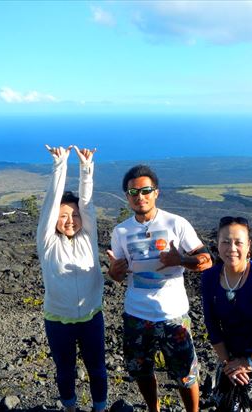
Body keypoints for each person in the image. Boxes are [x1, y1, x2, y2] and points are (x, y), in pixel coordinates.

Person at [107, 164, 212, 412]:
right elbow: (118, 275)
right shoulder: (120, 231)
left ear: (156, 192)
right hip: (136, 314)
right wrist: (114, 273)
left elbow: (207, 261)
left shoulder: (177, 223)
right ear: (127, 196)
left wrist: (182, 261)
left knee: (186, 373)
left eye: (146, 190)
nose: (140, 196)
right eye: (134, 192)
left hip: (172, 314)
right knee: (141, 371)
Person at [36, 145, 107, 412]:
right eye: (63, 216)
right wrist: (60, 165)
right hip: (58, 319)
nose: (70, 220)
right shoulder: (47, 242)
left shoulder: (88, 238)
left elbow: (87, 206)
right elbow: (50, 203)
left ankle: (100, 408)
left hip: (91, 316)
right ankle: (69, 408)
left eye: (74, 215)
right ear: (53, 220)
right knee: (65, 370)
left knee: (98, 369)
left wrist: (86, 169)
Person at [201, 216, 252, 411]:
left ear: (248, 245)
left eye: (238, 242)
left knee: (235, 402)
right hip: (230, 350)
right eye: (226, 242)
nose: (232, 248)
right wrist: (227, 362)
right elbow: (211, 324)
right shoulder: (209, 277)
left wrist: (249, 364)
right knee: (219, 396)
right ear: (217, 245)